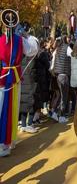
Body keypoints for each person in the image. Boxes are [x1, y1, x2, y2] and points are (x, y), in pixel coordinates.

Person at [0, 10, 39, 157]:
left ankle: (8, 140)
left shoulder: (14, 40)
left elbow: (33, 49)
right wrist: (25, 35)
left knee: (9, 108)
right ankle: (6, 141)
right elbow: (34, 48)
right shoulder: (19, 40)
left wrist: (24, 35)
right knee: (8, 109)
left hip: (8, 77)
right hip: (9, 78)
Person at [53, 35, 71, 123]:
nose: (69, 39)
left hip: (58, 75)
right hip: (64, 75)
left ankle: (55, 113)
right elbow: (73, 55)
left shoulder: (58, 48)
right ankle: (61, 116)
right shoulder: (67, 48)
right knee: (64, 97)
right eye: (68, 38)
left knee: (60, 95)